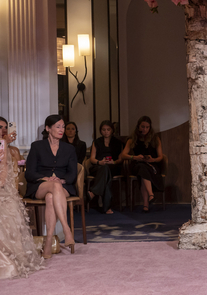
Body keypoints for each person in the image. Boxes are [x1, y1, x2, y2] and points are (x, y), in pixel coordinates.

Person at [25, 115, 77, 258]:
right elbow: (29, 173)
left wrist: (61, 180)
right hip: (40, 185)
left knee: (51, 197)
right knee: (52, 188)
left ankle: (48, 241)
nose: (62, 130)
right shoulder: (37, 146)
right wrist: (45, 178)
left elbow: (73, 174)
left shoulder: (69, 149)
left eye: (63, 127)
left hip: (63, 186)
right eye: (58, 127)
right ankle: (67, 230)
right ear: (48, 129)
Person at [0, 131, 44, 279]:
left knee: (8, 208)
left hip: (2, 189)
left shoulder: (3, 145)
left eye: (4, 128)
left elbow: (3, 174)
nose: (2, 131)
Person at [121, 116, 163, 213]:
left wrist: (153, 160)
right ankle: (150, 194)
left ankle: (146, 204)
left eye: (147, 127)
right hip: (138, 164)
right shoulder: (132, 139)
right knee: (141, 168)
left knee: (143, 172)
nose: (145, 129)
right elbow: (123, 155)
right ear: (138, 126)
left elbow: (160, 156)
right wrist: (134, 157)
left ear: (150, 128)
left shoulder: (155, 138)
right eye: (143, 127)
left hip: (152, 165)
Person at [87, 120, 123, 214]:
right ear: (100, 130)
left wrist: (114, 162)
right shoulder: (97, 142)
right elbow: (92, 159)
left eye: (108, 129)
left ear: (112, 130)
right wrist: (100, 162)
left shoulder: (117, 142)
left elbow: (120, 159)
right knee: (105, 170)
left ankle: (93, 192)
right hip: (99, 166)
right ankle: (107, 207)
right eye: (104, 130)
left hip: (113, 167)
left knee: (107, 171)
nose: (106, 131)